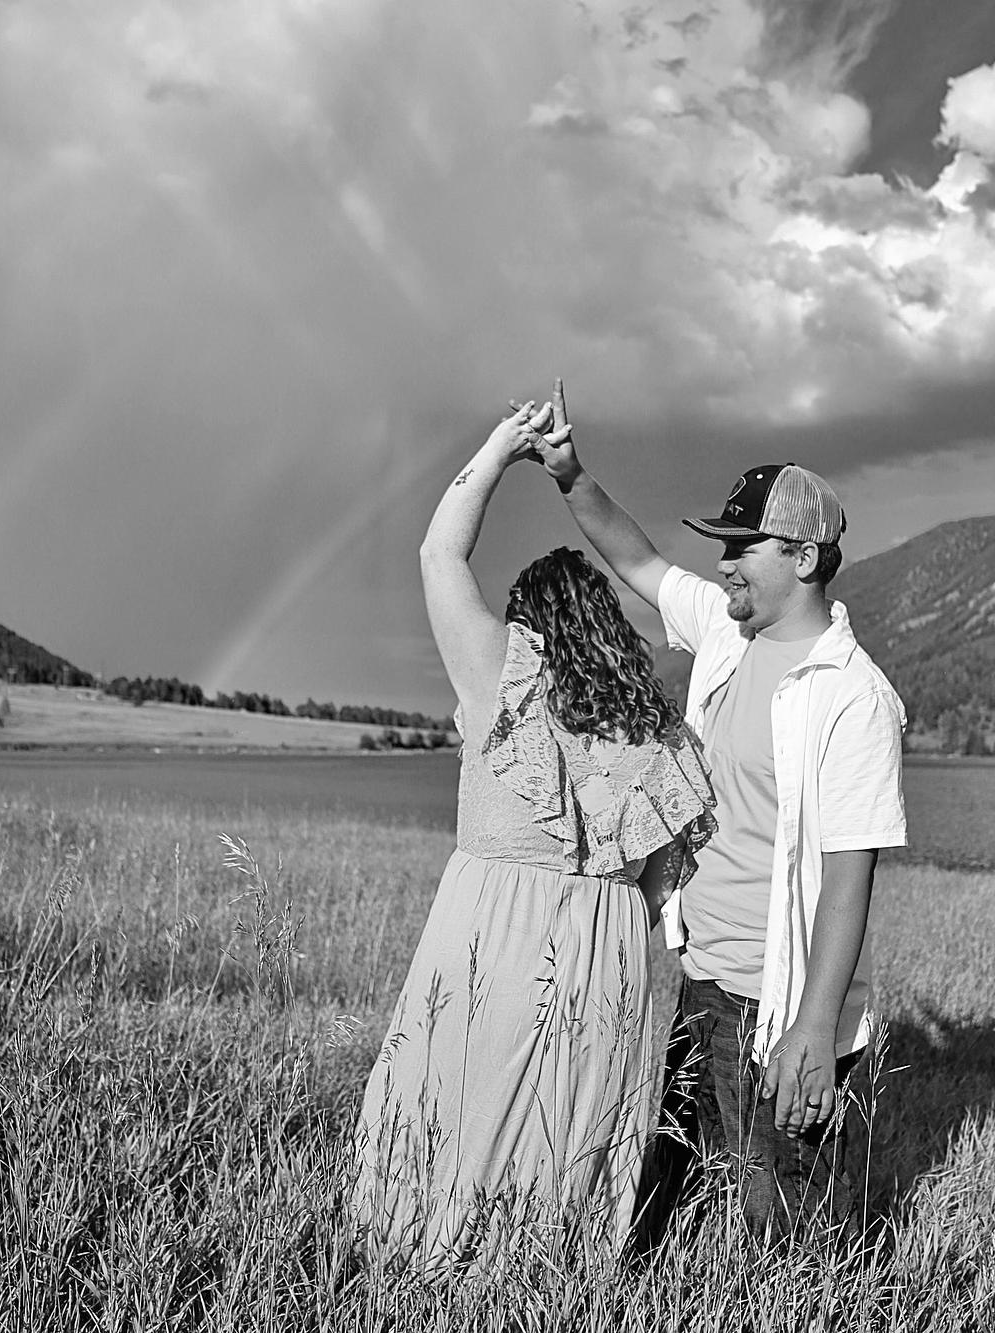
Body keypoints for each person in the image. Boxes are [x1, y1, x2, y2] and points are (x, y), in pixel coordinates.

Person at [528, 379, 907, 1240]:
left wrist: (814, 1028)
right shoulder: (729, 635)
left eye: (744, 545)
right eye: (724, 546)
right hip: (704, 979)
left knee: (787, 1235)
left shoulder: (853, 698)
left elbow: (849, 877)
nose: (726, 562)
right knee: (673, 1204)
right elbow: (638, 561)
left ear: (804, 557)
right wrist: (570, 473)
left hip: (783, 1006)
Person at [352, 401, 716, 1269]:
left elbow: (439, 554)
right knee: (574, 1134)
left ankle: (424, 1272)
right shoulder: (656, 730)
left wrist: (500, 447)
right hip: (610, 948)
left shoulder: (500, 677)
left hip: (493, 929)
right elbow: (662, 883)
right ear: (608, 628)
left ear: (528, 623)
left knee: (457, 1108)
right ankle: (555, 1284)